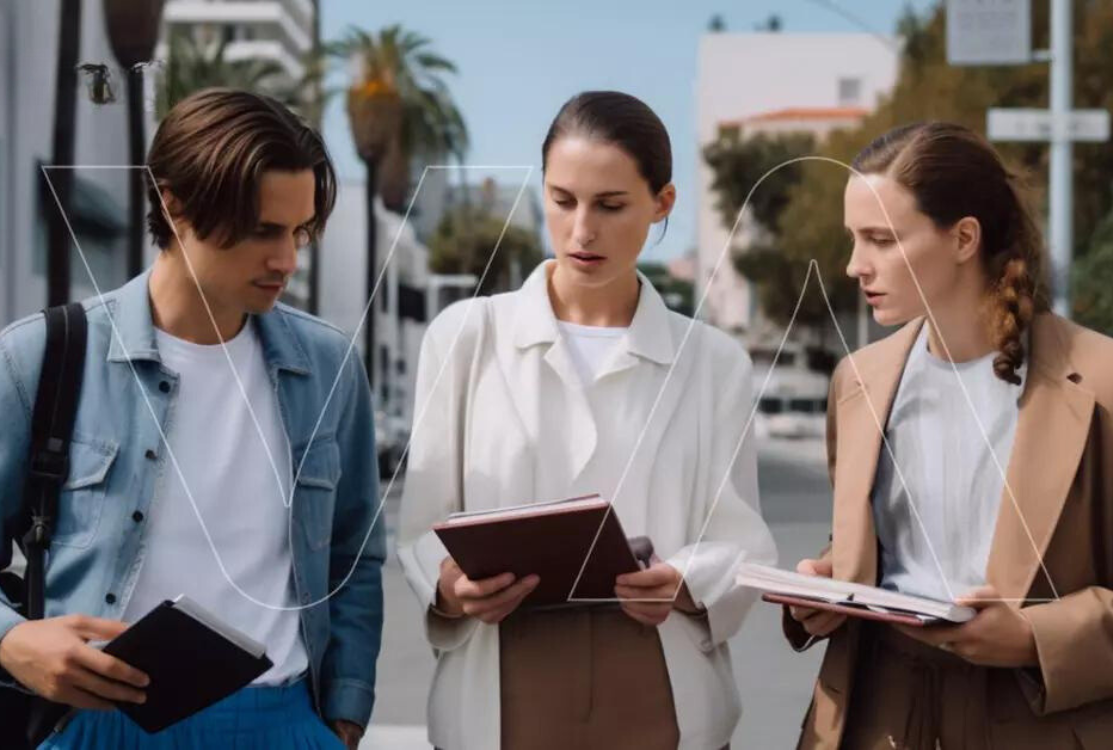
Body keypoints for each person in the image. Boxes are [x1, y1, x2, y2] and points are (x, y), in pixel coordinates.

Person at [0, 88, 385, 749]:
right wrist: (10, 640)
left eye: (299, 232)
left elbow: (354, 558)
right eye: (262, 231)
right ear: (175, 202)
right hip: (95, 726)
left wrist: (342, 718)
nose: (287, 260)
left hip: (284, 723)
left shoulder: (329, 367)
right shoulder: (35, 359)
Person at [397, 90, 777, 750]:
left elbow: (742, 542)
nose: (581, 231)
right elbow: (421, 526)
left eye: (610, 205)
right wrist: (451, 585)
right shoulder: (464, 338)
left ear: (663, 204)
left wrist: (684, 581)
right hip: (502, 685)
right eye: (562, 199)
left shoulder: (714, 361)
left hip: (656, 685)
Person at [784, 121, 1113, 748]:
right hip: (874, 710)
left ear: (964, 237)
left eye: (881, 239)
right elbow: (873, 549)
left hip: (1035, 716)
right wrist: (829, 584)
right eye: (854, 239)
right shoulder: (857, 382)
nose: (855, 265)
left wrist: (1034, 638)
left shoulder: (1099, 381)